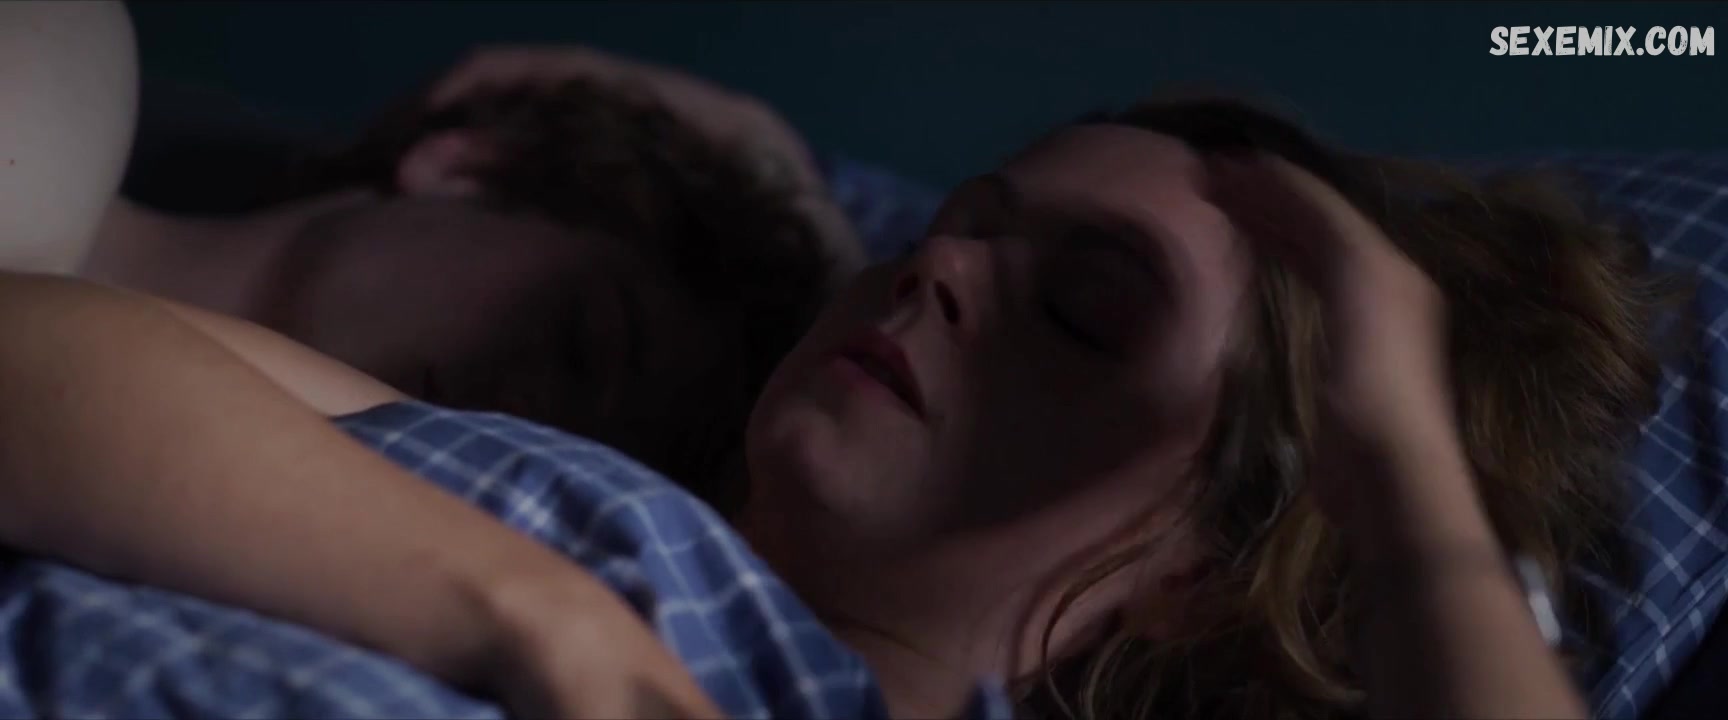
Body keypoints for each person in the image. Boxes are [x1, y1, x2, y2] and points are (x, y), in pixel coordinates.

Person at [0, 4, 1667, 720]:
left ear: (1203, 573)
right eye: (951, 225)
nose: (939, 267)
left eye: (1087, 310)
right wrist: (540, 628)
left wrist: (1410, 506)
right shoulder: (571, 515)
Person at [3, 2, 863, 508]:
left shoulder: (140, 543)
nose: (525, 417)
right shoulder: (65, 58)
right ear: (471, 166)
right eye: (578, 343)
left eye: (579, 450)